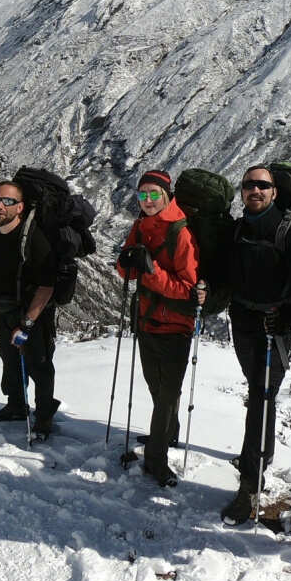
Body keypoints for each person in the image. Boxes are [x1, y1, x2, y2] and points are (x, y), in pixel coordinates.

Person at [211, 164, 291, 523]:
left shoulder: (290, 228)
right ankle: (261, 455)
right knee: (260, 394)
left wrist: (290, 311)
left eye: (262, 186)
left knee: (260, 398)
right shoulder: (240, 229)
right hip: (243, 323)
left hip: (275, 328)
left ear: (273, 192)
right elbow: (225, 271)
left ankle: (249, 487)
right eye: (248, 186)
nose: (254, 191)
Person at [113, 170, 200, 487]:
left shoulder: (181, 234)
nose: (148, 200)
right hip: (147, 320)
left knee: (165, 395)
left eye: (154, 194)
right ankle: (168, 432)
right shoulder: (140, 226)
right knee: (156, 388)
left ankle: (156, 459)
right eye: (142, 195)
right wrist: (129, 260)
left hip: (176, 325)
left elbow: (186, 288)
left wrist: (149, 270)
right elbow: (125, 270)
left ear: (167, 195)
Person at [0, 180, 60, 439]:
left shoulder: (34, 237)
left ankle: (44, 417)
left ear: (20, 207)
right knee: (9, 361)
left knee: (39, 365)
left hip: (33, 313)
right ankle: (16, 406)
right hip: (3, 309)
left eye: (8, 201)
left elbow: (47, 286)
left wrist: (28, 323)